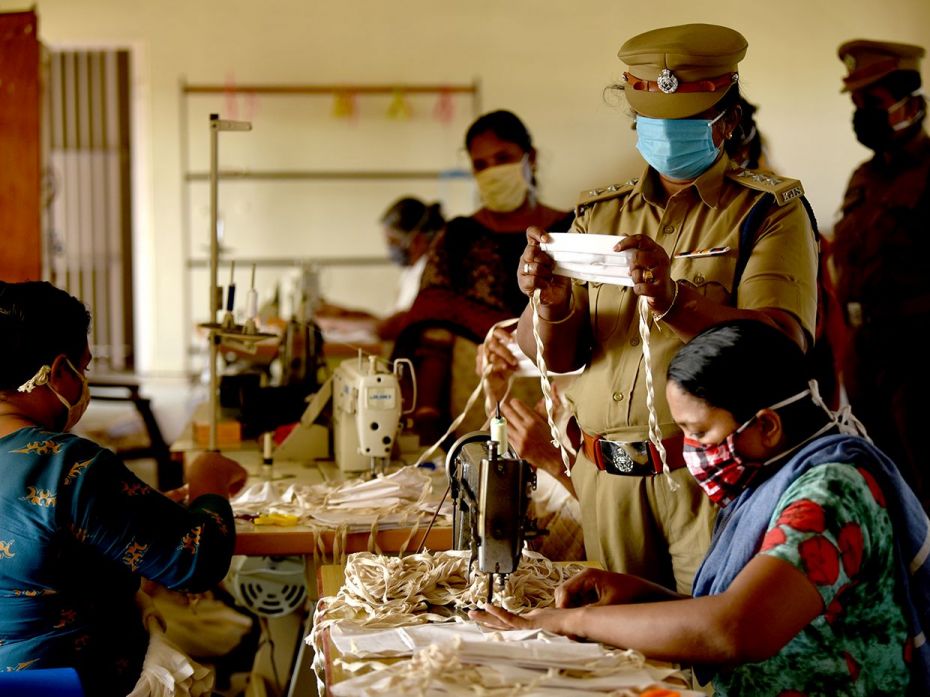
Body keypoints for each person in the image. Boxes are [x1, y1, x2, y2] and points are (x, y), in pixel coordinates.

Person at [516, 23, 819, 593]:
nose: (666, 138)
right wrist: (547, 305)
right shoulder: (599, 214)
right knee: (619, 660)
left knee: (706, 657)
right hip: (605, 479)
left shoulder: (767, 212)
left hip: (706, 480)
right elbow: (552, 356)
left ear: (727, 122)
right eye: (653, 125)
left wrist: (676, 300)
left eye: (684, 124)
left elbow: (780, 341)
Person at [473, 320, 930, 696]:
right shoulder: (775, 473)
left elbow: (733, 630)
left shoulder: (832, 492)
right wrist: (641, 596)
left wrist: (575, 622)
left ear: (767, 425)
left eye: (701, 432)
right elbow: (762, 609)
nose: (691, 451)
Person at [0, 281, 248, 696]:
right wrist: (210, 478)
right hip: (77, 681)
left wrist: (133, 521)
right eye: (85, 367)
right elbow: (196, 562)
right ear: (59, 373)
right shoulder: (68, 466)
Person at [397, 110, 574, 441]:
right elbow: (434, 337)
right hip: (475, 400)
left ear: (530, 158)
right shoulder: (458, 238)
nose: (493, 171)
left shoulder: (569, 232)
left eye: (503, 158)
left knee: (553, 484)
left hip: (556, 399)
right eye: (481, 165)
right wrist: (427, 416)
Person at [831, 39, 930, 510]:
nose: (860, 115)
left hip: (918, 354)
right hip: (866, 352)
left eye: (872, 103)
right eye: (856, 105)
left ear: (911, 105)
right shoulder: (861, 177)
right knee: (884, 482)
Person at [315, 196, 445, 340]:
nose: (390, 248)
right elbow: (389, 320)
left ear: (416, 239)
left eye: (392, 241)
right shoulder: (411, 271)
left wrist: (332, 323)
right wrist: (345, 313)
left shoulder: (431, 273)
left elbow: (391, 327)